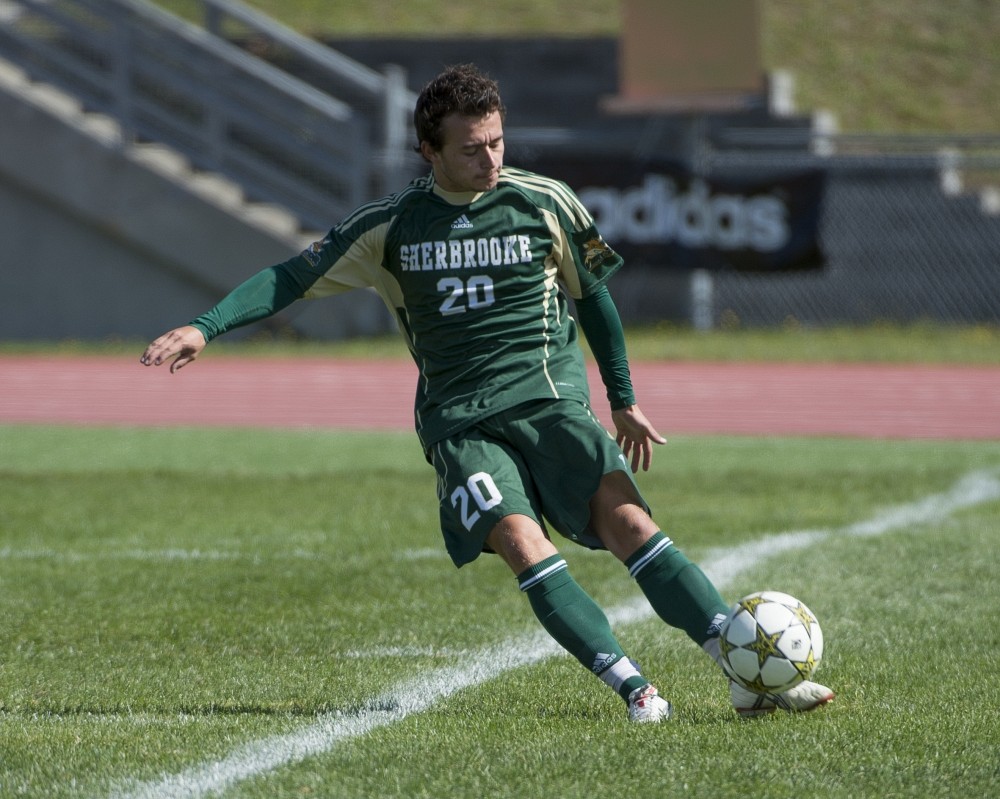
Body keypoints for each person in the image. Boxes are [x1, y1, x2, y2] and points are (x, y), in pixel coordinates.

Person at [140, 64, 833, 722]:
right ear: (428, 151)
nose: (491, 159)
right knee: (523, 543)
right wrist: (208, 326)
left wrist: (621, 396)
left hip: (551, 401)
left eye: (497, 141)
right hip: (460, 421)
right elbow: (290, 276)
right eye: (472, 148)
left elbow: (594, 300)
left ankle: (747, 672)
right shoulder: (390, 226)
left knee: (632, 527)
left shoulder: (547, 201)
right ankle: (635, 689)